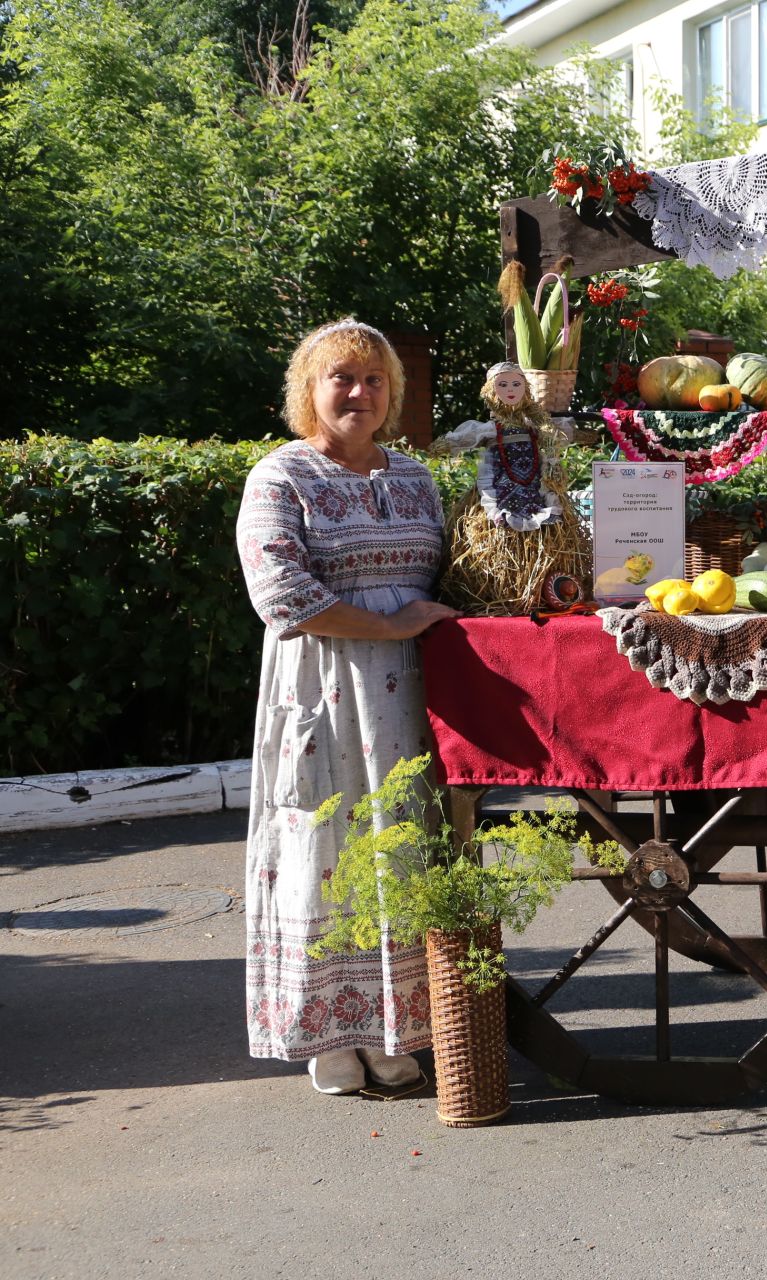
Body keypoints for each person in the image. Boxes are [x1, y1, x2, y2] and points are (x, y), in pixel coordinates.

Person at [236, 319, 460, 1095]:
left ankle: (395, 1026)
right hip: (322, 692)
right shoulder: (281, 477)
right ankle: (327, 1034)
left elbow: (448, 581)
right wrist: (389, 623)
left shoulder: (417, 480)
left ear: (392, 393)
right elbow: (283, 596)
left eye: (373, 380)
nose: (358, 393)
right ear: (310, 390)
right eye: (341, 378)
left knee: (402, 850)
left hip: (408, 700)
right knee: (322, 850)